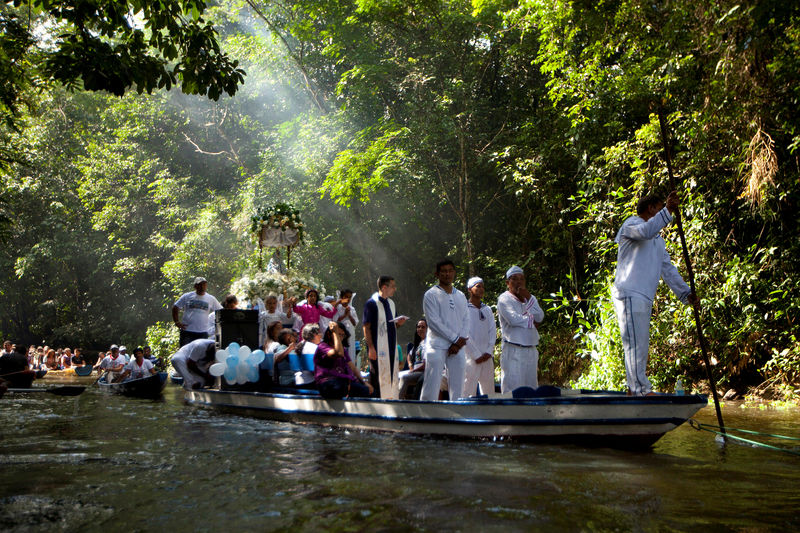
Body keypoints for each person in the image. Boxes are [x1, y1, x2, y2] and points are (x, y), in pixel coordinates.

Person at [613, 191, 700, 396]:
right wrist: (668, 210)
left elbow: (668, 270)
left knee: (640, 343)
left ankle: (635, 389)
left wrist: (686, 294)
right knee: (635, 343)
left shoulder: (658, 241)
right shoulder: (632, 224)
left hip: (643, 295)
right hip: (629, 292)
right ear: (652, 208)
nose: (664, 212)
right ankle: (639, 389)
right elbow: (645, 231)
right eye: (660, 207)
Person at [421, 259, 470, 401]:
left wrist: (459, 342)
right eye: (443, 271)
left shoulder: (460, 295)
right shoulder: (430, 295)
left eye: (450, 271)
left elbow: (466, 319)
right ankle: (426, 416)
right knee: (432, 384)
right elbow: (434, 322)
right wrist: (455, 339)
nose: (447, 274)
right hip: (437, 345)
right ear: (437, 274)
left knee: (458, 385)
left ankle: (457, 416)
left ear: (454, 272)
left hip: (458, 346)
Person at [497, 265, 544, 393]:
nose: (519, 282)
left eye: (521, 279)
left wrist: (528, 298)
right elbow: (513, 319)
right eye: (514, 279)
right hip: (513, 349)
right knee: (513, 389)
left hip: (531, 349)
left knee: (531, 388)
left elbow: (540, 316)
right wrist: (531, 321)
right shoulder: (504, 299)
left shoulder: (530, 298)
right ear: (508, 283)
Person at [363, 275, 407, 399]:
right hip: (377, 347)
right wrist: (371, 348)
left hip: (391, 346)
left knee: (392, 374)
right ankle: (375, 403)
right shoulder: (371, 303)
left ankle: (390, 400)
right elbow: (366, 327)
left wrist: (399, 324)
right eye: (393, 286)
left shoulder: (391, 303)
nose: (395, 289)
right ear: (384, 287)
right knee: (377, 376)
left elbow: (392, 326)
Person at [313, 322, 372, 399]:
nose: (340, 337)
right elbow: (339, 353)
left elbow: (353, 368)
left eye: (342, 335)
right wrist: (335, 332)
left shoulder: (343, 349)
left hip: (342, 382)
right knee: (342, 388)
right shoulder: (323, 347)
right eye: (338, 334)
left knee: (369, 390)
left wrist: (364, 383)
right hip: (328, 383)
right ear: (329, 334)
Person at [464, 277, 497, 397]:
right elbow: (464, 333)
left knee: (489, 392)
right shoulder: (464, 309)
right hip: (471, 358)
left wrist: (489, 351)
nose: (481, 289)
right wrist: (476, 354)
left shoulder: (487, 309)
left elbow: (492, 331)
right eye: (478, 286)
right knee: (468, 392)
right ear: (469, 289)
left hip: (487, 357)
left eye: (482, 286)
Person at [172, 277, 222, 346]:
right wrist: (176, 321)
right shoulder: (187, 296)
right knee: (185, 353)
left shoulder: (211, 298)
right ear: (195, 286)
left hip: (203, 332)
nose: (202, 286)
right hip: (187, 331)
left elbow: (221, 311)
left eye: (204, 284)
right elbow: (175, 307)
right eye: (200, 284)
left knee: (201, 354)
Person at [399, 319, 427, 400]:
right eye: (418, 327)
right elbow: (409, 355)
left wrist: (413, 371)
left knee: (405, 378)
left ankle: (397, 401)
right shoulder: (418, 343)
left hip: (423, 373)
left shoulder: (428, 343)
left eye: (423, 327)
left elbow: (425, 365)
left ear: (427, 329)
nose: (420, 329)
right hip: (415, 372)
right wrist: (410, 365)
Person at [332, 289, 359, 366]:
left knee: (350, 350)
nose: (348, 299)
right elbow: (335, 320)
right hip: (340, 333)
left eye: (350, 297)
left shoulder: (352, 309)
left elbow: (355, 323)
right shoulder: (338, 308)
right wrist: (344, 315)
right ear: (341, 297)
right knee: (341, 349)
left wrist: (349, 315)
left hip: (350, 332)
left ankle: (350, 369)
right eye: (346, 296)